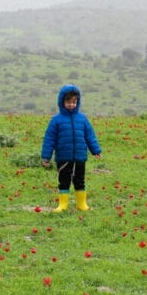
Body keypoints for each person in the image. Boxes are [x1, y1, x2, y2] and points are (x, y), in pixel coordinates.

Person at [41, 84, 102, 212]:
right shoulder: (56, 120)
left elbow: (89, 135)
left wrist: (95, 150)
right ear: (61, 101)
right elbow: (49, 139)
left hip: (80, 157)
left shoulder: (83, 119)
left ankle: (82, 204)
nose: (71, 104)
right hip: (63, 157)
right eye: (68, 101)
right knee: (64, 181)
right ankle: (62, 205)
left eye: (74, 102)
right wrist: (46, 156)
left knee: (80, 181)